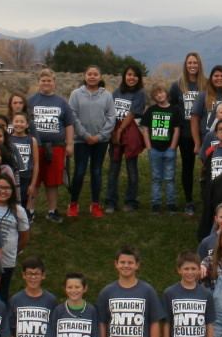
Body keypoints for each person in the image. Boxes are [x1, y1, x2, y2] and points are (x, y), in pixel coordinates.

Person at [25, 70, 74, 222]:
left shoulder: (61, 102)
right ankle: (30, 211)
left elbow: (69, 124)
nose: (46, 83)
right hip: (34, 147)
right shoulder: (31, 101)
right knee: (34, 179)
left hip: (56, 147)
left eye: (49, 80)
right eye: (43, 80)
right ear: (38, 82)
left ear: (54, 83)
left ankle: (52, 211)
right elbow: (22, 122)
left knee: (52, 181)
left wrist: (70, 144)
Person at [67, 66, 115, 221]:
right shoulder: (76, 94)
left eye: (95, 74)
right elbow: (72, 115)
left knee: (96, 172)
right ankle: (73, 203)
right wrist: (85, 135)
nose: (92, 76)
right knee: (79, 172)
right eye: (89, 74)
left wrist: (100, 136)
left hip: (101, 141)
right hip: (81, 140)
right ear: (84, 76)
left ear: (100, 77)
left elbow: (111, 117)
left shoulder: (107, 95)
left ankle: (95, 204)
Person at [104, 63, 149, 213]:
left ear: (139, 78)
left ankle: (131, 201)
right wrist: (113, 131)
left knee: (132, 168)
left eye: (135, 75)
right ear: (124, 76)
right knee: (114, 168)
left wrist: (121, 130)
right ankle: (111, 201)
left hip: (130, 133)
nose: (132, 78)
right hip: (115, 131)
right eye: (129, 74)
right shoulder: (116, 92)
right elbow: (110, 111)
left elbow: (132, 113)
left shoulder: (140, 93)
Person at [170, 52, 209, 216]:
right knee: (187, 167)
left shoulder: (206, 84)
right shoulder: (177, 85)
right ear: (185, 65)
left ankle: (210, 200)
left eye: (195, 63)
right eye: (189, 63)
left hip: (203, 133)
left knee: (207, 167)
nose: (192, 65)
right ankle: (189, 202)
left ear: (199, 65)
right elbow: (172, 108)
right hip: (185, 134)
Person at [140, 85, 182, 213]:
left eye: (161, 92)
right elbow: (145, 129)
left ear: (166, 94)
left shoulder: (174, 110)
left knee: (169, 178)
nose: (160, 95)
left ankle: (171, 203)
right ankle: (156, 203)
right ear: (153, 97)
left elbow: (176, 130)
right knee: (156, 178)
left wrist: (173, 148)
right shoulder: (151, 110)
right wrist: (149, 147)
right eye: (156, 94)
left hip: (169, 149)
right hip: (155, 150)